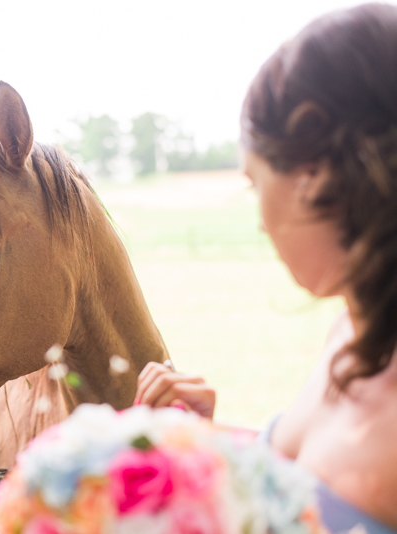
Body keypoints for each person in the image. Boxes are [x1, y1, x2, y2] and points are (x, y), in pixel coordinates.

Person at [134, 4, 397, 533]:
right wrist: (206, 440)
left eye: (256, 184)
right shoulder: (351, 332)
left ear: (313, 176)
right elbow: (303, 481)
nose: (260, 223)